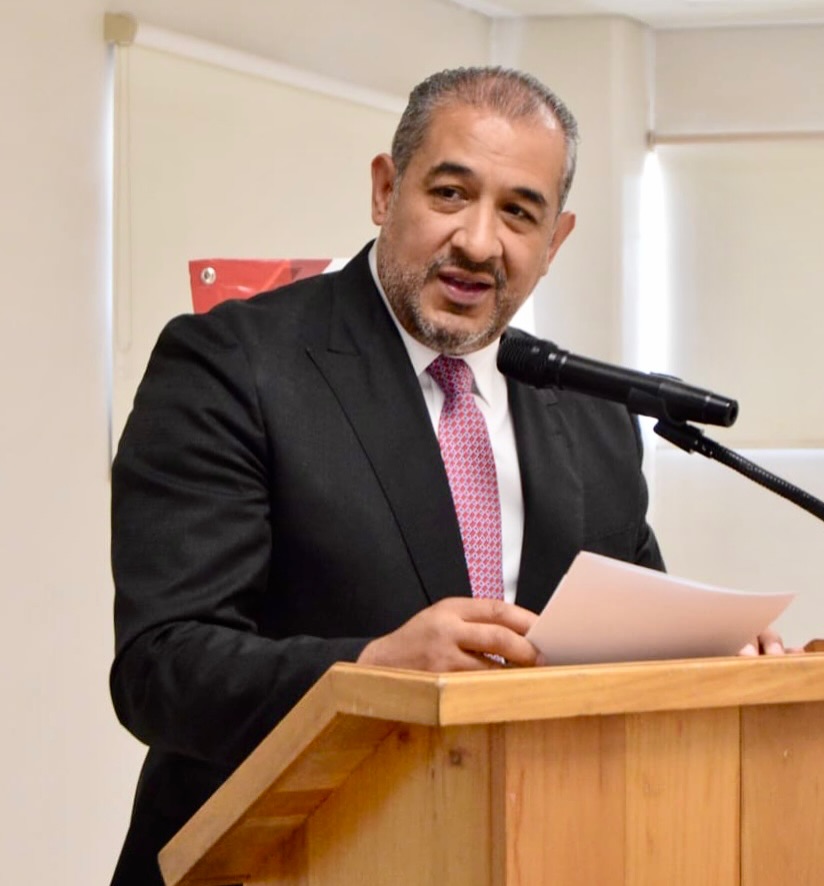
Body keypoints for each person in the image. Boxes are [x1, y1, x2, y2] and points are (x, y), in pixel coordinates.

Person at [108, 66, 784, 885]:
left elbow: (627, 637)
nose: (479, 242)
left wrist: (712, 655)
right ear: (384, 189)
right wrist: (371, 669)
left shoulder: (593, 414)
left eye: (520, 212)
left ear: (555, 241)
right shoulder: (233, 366)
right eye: (451, 194)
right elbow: (161, 669)